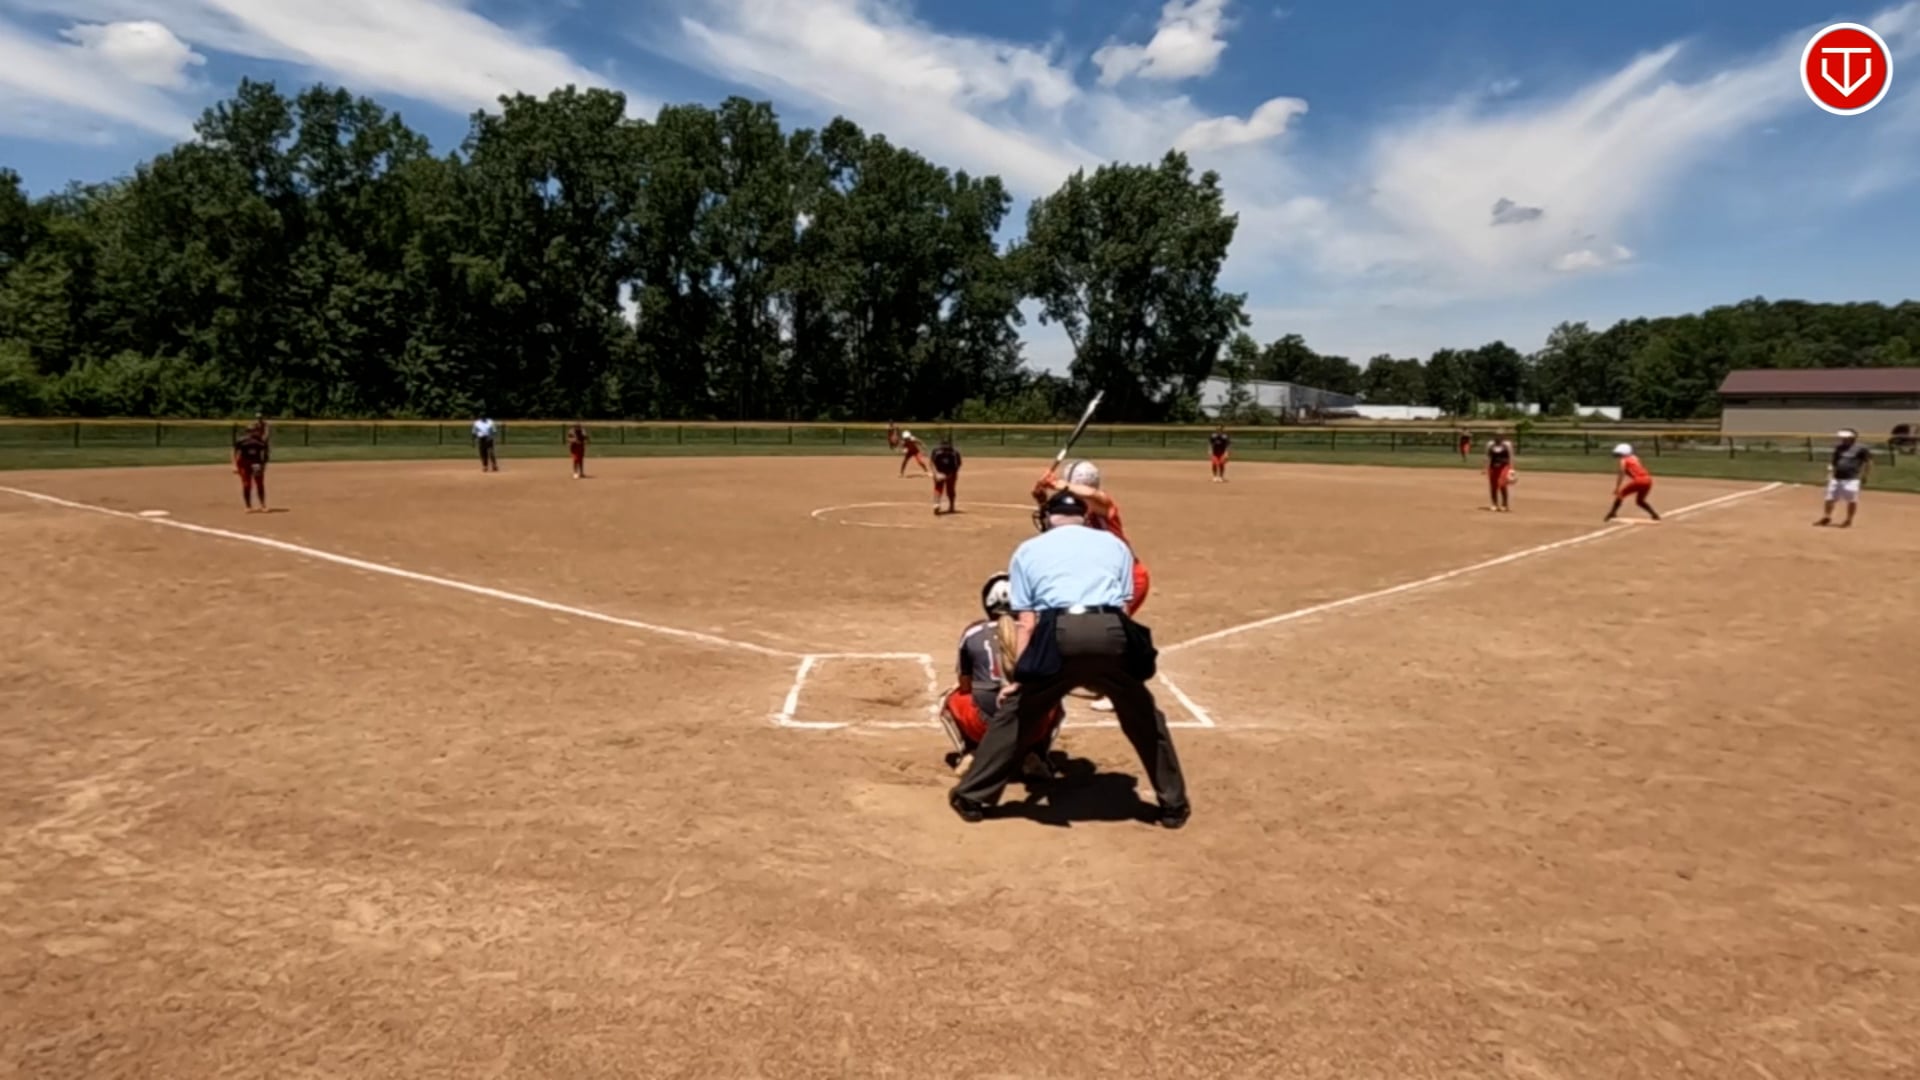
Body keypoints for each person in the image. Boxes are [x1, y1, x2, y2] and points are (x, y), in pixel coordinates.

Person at [949, 489, 1190, 828]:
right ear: (1083, 516)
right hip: (1111, 631)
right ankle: (1173, 805)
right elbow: (1123, 609)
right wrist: (1111, 671)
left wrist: (1020, 679)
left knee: (1018, 713)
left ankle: (972, 797)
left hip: (1058, 633)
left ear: (1049, 518)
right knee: (1144, 716)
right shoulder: (1114, 545)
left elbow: (1027, 622)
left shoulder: (1028, 549)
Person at [1033, 460, 1148, 713]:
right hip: (1101, 580)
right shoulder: (1076, 512)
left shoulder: (1103, 506)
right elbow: (1052, 528)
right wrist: (1041, 497)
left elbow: (1095, 496)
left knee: (1114, 631)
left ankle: (1120, 692)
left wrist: (1057, 483)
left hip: (1126, 578)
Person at [937, 572, 1063, 779]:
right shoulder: (1037, 632)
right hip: (1031, 728)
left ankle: (972, 752)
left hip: (983, 726)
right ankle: (1034, 755)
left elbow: (965, 684)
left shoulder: (973, 632)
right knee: (1055, 698)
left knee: (949, 698)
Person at [1816, 428, 1872, 528]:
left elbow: (1868, 462)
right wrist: (1829, 473)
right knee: (1829, 498)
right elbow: (1833, 462)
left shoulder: (1861, 449)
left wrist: (1865, 475)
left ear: (1853, 438)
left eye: (1846, 438)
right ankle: (1827, 516)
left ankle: (1849, 519)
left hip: (1851, 479)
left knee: (1851, 500)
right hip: (1836, 478)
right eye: (1842, 438)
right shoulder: (1839, 448)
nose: (1843, 439)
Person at [1605, 443, 1660, 521]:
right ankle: (1654, 515)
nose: (1618, 455)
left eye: (1619, 454)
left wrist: (1617, 487)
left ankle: (1612, 513)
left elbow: (1621, 473)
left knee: (1620, 494)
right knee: (1640, 501)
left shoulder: (1623, 460)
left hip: (1639, 480)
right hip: (1648, 480)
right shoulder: (1635, 458)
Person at [233, 426, 270, 512]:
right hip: (244, 464)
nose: (253, 432)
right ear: (247, 432)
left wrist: (263, 465)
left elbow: (265, 454)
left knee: (259, 484)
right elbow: (235, 453)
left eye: (255, 430)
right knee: (247, 484)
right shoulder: (242, 441)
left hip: (256, 464)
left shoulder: (261, 441)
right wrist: (235, 465)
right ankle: (248, 506)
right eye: (250, 431)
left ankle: (263, 505)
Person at [930, 438, 962, 515]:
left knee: (950, 489)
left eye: (946, 448)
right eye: (943, 448)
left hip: (951, 472)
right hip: (939, 470)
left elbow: (956, 467)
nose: (944, 450)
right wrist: (936, 473)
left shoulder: (954, 453)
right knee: (938, 486)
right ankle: (936, 504)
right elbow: (932, 463)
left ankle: (951, 505)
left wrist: (947, 476)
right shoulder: (936, 451)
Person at [1485, 433, 1516, 512]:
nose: (1498, 438)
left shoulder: (1506, 445)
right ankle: (1494, 504)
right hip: (1493, 467)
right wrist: (1486, 468)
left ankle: (1504, 504)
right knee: (1493, 486)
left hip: (1504, 467)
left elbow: (1511, 456)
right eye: (1497, 436)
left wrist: (1512, 469)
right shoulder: (1491, 446)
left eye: (1500, 436)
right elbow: (1488, 457)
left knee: (1502, 484)